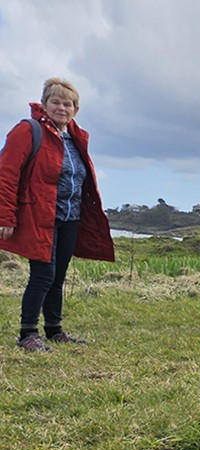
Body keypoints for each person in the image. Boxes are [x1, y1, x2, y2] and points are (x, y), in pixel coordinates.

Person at [0, 77, 114, 352]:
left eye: (68, 103)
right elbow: (6, 174)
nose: (62, 108)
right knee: (43, 274)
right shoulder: (28, 131)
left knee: (58, 275)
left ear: (75, 108)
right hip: (40, 216)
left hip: (69, 217)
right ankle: (28, 333)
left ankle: (54, 329)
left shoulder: (75, 137)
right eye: (55, 102)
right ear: (44, 104)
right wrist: (5, 216)